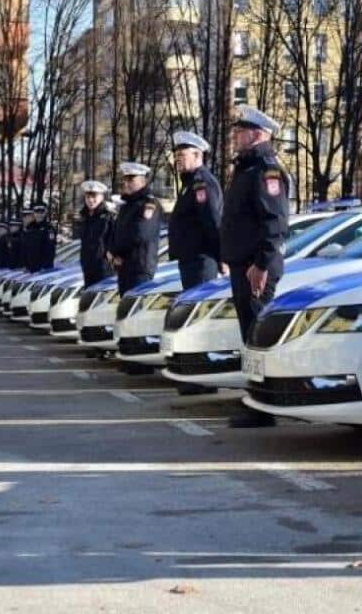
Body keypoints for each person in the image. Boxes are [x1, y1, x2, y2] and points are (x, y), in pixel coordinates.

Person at [220, 104, 290, 428]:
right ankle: (256, 399)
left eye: (241, 131)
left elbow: (274, 222)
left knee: (256, 336)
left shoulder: (266, 169)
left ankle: (262, 407)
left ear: (258, 134)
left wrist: (262, 263)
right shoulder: (247, 169)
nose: (235, 135)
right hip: (244, 264)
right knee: (249, 336)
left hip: (255, 268)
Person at [168, 131, 224, 289]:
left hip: (201, 261)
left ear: (197, 155)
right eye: (176, 155)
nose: (177, 159)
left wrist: (221, 257)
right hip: (190, 260)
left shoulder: (202, 183)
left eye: (182, 155)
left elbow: (212, 220)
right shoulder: (189, 184)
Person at [108, 162, 161, 295]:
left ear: (142, 181)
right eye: (125, 179)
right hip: (124, 268)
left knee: (135, 311)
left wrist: (118, 251)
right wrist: (114, 254)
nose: (126, 183)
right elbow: (116, 233)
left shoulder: (149, 204)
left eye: (131, 179)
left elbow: (140, 234)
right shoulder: (126, 206)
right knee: (125, 313)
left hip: (140, 268)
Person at [77, 180, 115, 287]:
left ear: (101, 197)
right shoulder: (84, 217)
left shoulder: (108, 216)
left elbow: (114, 238)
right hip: (87, 266)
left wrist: (109, 255)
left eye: (94, 196)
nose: (90, 200)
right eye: (88, 197)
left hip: (103, 267)